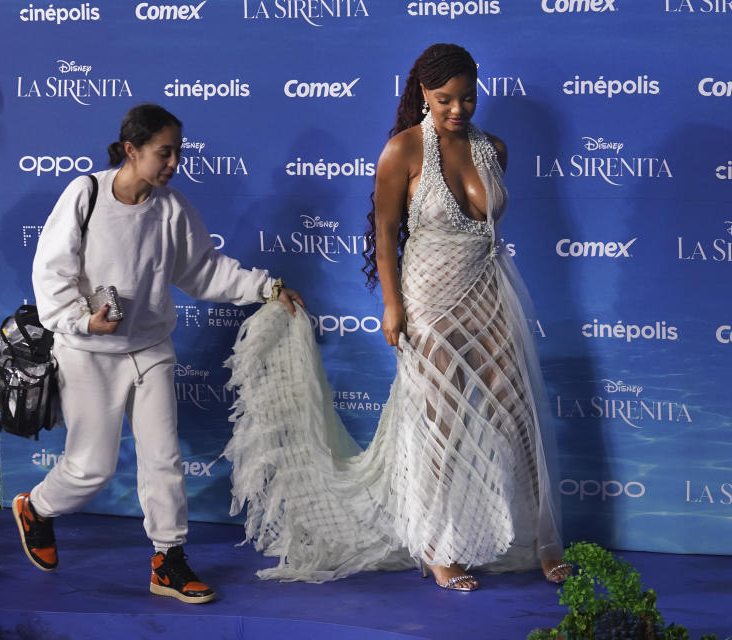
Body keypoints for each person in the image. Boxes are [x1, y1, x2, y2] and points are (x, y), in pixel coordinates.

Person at [223, 43, 571, 591]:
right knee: (444, 424)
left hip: (489, 287)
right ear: (423, 95)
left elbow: (487, 228)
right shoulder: (403, 150)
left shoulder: (494, 149)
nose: (457, 110)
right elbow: (386, 233)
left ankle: (542, 541)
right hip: (427, 296)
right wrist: (392, 304)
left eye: (466, 97)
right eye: (443, 100)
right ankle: (437, 547)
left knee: (515, 416)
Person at [13, 103, 304, 604]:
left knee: (163, 458)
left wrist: (266, 287)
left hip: (150, 350)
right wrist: (83, 320)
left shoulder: (172, 209)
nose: (173, 163)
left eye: (177, 154)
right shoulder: (84, 195)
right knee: (92, 468)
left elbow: (206, 272)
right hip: (87, 352)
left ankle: (168, 561)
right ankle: (36, 508)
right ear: (131, 150)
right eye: (163, 153)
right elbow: (51, 274)